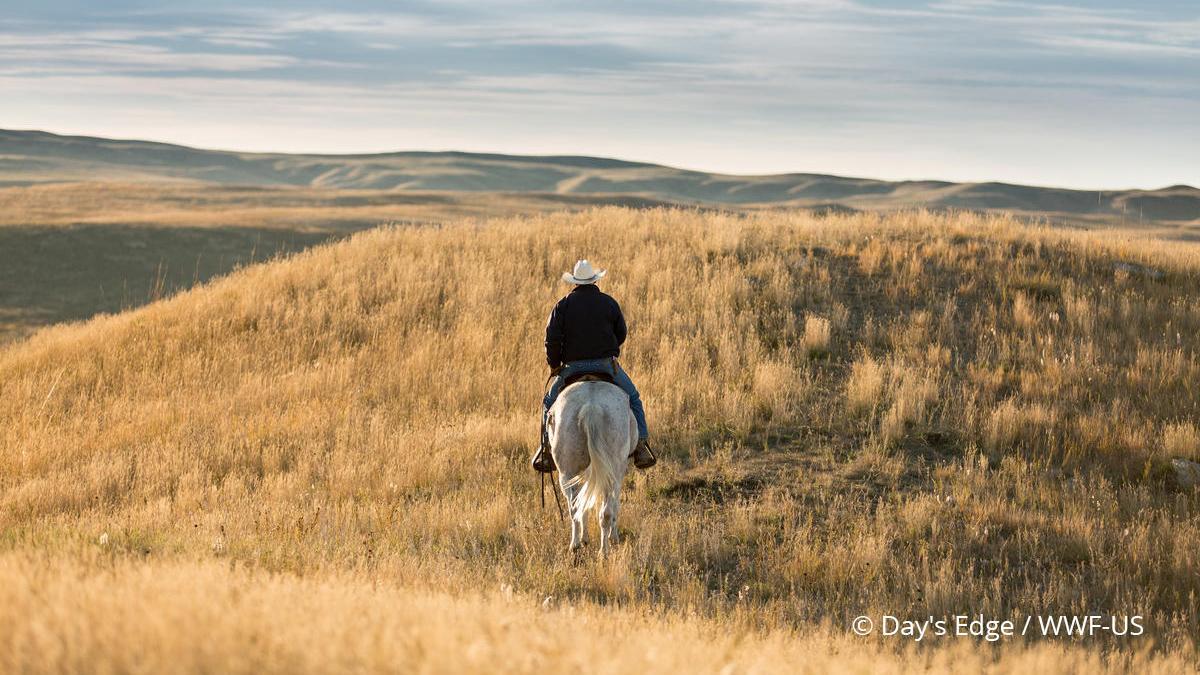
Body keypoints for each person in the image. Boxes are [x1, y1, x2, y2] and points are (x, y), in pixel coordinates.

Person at [531, 259, 656, 473]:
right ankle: (641, 446)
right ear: (594, 280)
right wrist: (609, 349)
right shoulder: (608, 302)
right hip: (605, 366)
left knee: (549, 402)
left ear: (575, 282)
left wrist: (554, 365)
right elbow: (621, 333)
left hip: (571, 368)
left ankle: (545, 449)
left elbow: (551, 339)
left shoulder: (562, 305)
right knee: (634, 398)